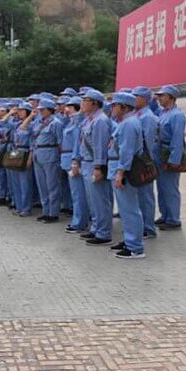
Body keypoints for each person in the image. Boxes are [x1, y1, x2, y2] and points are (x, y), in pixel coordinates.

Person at [71, 89, 113, 246]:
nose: (82, 103)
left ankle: (104, 233)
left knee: (100, 200)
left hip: (94, 163)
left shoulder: (100, 120)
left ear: (94, 103)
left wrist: (98, 167)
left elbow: (100, 147)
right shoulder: (89, 119)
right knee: (92, 200)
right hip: (87, 162)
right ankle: (96, 228)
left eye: (85, 100)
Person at [107, 92, 146, 259]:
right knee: (125, 209)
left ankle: (135, 247)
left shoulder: (129, 124)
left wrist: (121, 172)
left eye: (114, 105)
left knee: (129, 209)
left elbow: (127, 151)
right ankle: (129, 240)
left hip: (125, 170)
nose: (112, 108)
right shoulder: (127, 122)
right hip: (120, 167)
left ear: (124, 107)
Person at [155, 84, 186, 230]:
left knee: (170, 188)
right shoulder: (163, 113)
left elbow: (177, 139)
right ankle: (165, 215)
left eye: (162, 95)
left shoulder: (177, 115)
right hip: (160, 152)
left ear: (171, 97)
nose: (159, 98)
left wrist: (174, 160)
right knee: (162, 187)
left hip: (169, 152)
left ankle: (173, 219)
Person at [29, 99, 63, 223]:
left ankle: (53, 213)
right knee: (42, 185)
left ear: (50, 110)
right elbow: (33, 136)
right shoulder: (39, 122)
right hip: (38, 154)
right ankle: (45, 211)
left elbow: (60, 142)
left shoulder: (56, 123)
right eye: (40, 110)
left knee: (52, 185)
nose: (41, 112)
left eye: (43, 110)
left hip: (50, 154)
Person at [133, 86, 159, 239]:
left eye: (136, 97)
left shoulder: (147, 117)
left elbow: (147, 143)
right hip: (137, 160)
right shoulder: (137, 114)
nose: (133, 99)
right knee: (139, 195)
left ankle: (148, 228)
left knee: (145, 195)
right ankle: (141, 225)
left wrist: (143, 162)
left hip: (143, 161)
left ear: (144, 99)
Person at [62, 96, 90, 233]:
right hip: (68, 159)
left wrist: (75, 161)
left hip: (75, 161)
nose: (66, 109)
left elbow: (77, 145)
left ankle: (79, 222)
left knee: (79, 194)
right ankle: (78, 220)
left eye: (69, 107)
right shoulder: (72, 122)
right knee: (76, 194)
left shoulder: (79, 123)